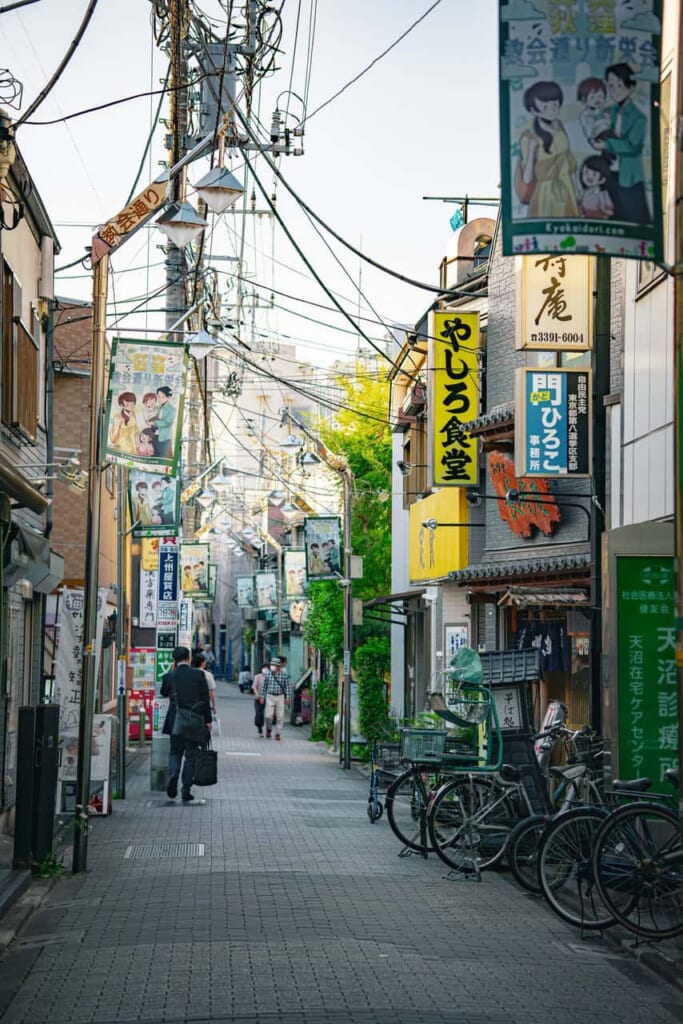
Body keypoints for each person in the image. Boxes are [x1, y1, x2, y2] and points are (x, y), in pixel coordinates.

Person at [592, 62, 650, 224]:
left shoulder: (638, 117)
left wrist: (607, 144)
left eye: (619, 85)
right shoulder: (608, 112)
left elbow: (632, 146)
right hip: (609, 172)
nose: (615, 90)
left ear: (630, 86)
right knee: (613, 213)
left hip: (629, 176)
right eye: (611, 85)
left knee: (633, 216)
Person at [515, 81, 578, 219]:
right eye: (545, 106)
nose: (552, 110)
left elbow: (569, 162)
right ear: (533, 110)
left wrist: (576, 189)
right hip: (545, 192)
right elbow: (527, 178)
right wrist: (531, 152)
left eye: (555, 105)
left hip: (566, 188)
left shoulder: (559, 126)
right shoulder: (529, 137)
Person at [160, 645, 212, 804]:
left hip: (175, 721)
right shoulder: (198, 675)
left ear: (174, 660)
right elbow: (205, 699)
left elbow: (163, 692)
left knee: (175, 752)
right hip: (194, 722)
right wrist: (208, 721)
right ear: (188, 658)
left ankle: (173, 774)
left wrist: (171, 672)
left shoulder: (169, 676)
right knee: (191, 756)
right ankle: (186, 791)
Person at [259, 657, 291, 740]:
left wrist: (287, 697)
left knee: (280, 716)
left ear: (278, 666)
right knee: (268, 716)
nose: (272, 666)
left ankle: (278, 733)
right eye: (271, 665)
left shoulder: (284, 675)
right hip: (270, 696)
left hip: (280, 696)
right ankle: (269, 729)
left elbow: (287, 687)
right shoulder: (268, 674)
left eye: (274, 665)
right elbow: (264, 686)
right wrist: (262, 696)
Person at [152, 385, 176, 459]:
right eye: (158, 396)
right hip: (155, 436)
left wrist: (154, 423)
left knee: (163, 459)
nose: (160, 399)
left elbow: (167, 423)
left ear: (169, 397)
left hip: (164, 438)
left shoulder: (172, 409)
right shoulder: (157, 408)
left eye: (163, 396)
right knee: (155, 456)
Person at [192, 651, 217, 717]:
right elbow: (211, 692)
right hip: (203, 705)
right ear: (202, 662)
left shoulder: (189, 673)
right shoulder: (208, 675)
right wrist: (213, 706)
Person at [251, 665, 268, 736]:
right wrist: (256, 693)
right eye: (264, 668)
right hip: (259, 698)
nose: (265, 669)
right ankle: (260, 728)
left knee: (268, 715)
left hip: (269, 698)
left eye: (267, 668)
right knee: (259, 713)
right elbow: (254, 687)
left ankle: (268, 730)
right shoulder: (257, 676)